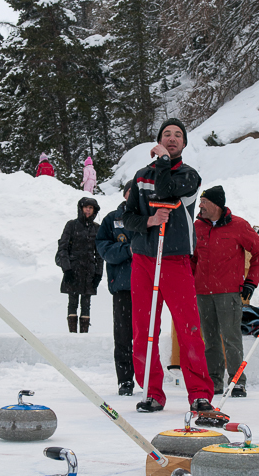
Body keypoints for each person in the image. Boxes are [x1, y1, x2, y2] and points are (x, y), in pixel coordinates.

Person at [122, 117, 215, 413]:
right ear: (159, 139)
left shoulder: (189, 175)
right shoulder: (140, 177)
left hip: (175, 259)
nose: (172, 138)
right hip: (144, 259)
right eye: (167, 134)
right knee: (143, 329)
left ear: (184, 143)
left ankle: (199, 393)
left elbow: (166, 192)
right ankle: (151, 390)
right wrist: (149, 220)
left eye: (177, 135)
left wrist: (163, 161)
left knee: (188, 327)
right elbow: (128, 217)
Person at [191, 185, 259, 397]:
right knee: (210, 339)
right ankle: (214, 380)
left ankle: (237, 381)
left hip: (229, 293)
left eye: (204, 202)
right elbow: (192, 258)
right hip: (203, 293)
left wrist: (251, 282)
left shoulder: (239, 226)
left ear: (216, 204)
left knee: (232, 338)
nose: (201, 206)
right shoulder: (197, 226)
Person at [96, 181, 134, 395]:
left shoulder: (151, 218)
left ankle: (148, 377)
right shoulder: (112, 219)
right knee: (122, 335)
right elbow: (104, 249)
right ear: (125, 194)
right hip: (122, 287)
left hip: (147, 288)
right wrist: (128, 250)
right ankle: (125, 380)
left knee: (148, 336)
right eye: (130, 191)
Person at [55, 197, 103, 333]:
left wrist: (99, 273)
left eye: (91, 207)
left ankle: (84, 336)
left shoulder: (97, 228)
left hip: (89, 271)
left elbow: (99, 253)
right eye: (86, 207)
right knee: (72, 302)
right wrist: (67, 269)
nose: (88, 210)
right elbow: (62, 248)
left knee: (86, 303)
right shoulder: (71, 225)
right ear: (81, 208)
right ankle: (72, 335)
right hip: (73, 269)